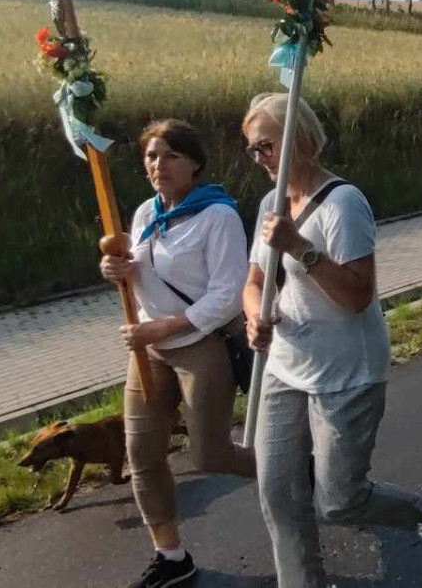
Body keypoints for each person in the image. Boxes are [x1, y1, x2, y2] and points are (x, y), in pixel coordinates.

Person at [242, 93, 422, 585]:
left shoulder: (343, 203)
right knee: (278, 494)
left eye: (266, 145)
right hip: (284, 365)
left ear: (300, 139)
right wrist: (254, 316)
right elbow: (255, 280)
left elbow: (357, 296)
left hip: (346, 371)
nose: (259, 158)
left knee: (339, 501)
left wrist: (299, 247)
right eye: (253, 149)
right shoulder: (269, 205)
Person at [100, 119, 257, 588]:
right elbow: (143, 275)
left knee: (210, 455)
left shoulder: (218, 216)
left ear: (195, 163)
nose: (159, 165)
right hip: (150, 352)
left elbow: (227, 294)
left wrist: (168, 325)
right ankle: (171, 557)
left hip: (200, 347)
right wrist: (117, 270)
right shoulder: (145, 213)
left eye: (171, 155)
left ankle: (292, 469)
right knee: (142, 454)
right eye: (152, 156)